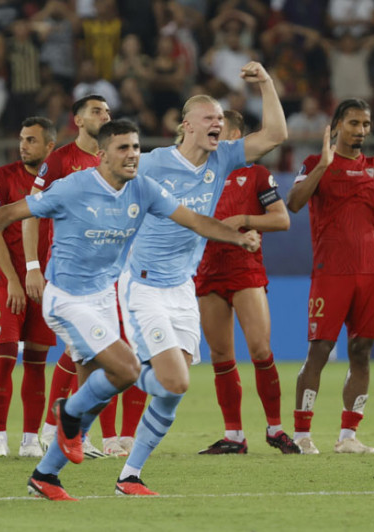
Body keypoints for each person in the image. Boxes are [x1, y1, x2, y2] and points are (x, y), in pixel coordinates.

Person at [0, 119, 260, 500]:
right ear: (102, 156)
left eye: (136, 147)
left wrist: (237, 236)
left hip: (104, 299)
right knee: (126, 369)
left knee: (96, 397)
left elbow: (193, 219)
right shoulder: (73, 188)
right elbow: (14, 212)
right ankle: (66, 412)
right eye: (123, 148)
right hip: (66, 300)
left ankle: (45, 475)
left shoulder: (142, 188)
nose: (133, 155)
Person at [116, 62, 289, 494]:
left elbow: (275, 136)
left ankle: (130, 475)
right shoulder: (152, 163)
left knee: (177, 387)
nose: (219, 124)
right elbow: (107, 183)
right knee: (171, 378)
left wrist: (266, 83)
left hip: (182, 287)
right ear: (187, 126)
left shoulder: (225, 157)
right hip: (143, 283)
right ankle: (109, 372)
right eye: (210, 118)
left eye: (221, 119)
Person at [285, 99, 374, 454]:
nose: (361, 130)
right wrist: (322, 168)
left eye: (365, 124)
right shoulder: (316, 163)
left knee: (361, 352)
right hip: (331, 272)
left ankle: (348, 437)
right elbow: (295, 202)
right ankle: (302, 434)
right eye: (353, 123)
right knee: (320, 350)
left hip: (369, 271)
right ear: (336, 127)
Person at [22, 94, 138, 457]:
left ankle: (93, 435)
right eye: (96, 111)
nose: (105, 115)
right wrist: (32, 266)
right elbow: (30, 211)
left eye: (107, 110)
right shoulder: (60, 161)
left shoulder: (119, 160)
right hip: (74, 276)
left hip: (114, 272)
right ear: (78, 121)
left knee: (100, 353)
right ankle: (57, 427)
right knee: (83, 354)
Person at [193, 110, 299, 456]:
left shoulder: (256, 175)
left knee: (260, 349)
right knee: (221, 355)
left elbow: (282, 220)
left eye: (219, 128)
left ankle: (275, 428)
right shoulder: (197, 175)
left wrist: (245, 220)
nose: (213, 132)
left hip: (245, 270)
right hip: (207, 270)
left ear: (237, 136)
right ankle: (234, 435)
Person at [0, 117, 57, 458]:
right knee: (5, 357)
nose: (23, 145)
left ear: (49, 147)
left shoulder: (60, 179)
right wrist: (14, 279)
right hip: (7, 280)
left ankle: (30, 441)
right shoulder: (4, 176)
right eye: (22, 139)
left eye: (31, 140)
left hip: (45, 282)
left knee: (37, 362)